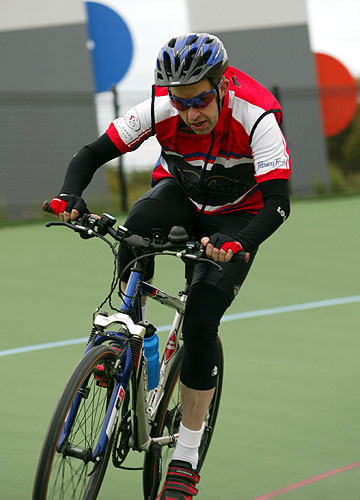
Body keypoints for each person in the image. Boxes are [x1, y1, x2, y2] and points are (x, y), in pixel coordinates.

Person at [49, 33, 291, 499]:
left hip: (240, 216)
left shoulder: (257, 115)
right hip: (181, 195)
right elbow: (92, 154)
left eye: (201, 99)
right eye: (182, 103)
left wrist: (238, 243)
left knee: (201, 319)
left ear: (222, 86)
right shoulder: (162, 107)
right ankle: (130, 334)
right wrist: (70, 195)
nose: (191, 112)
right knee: (137, 223)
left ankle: (186, 455)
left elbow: (279, 204)